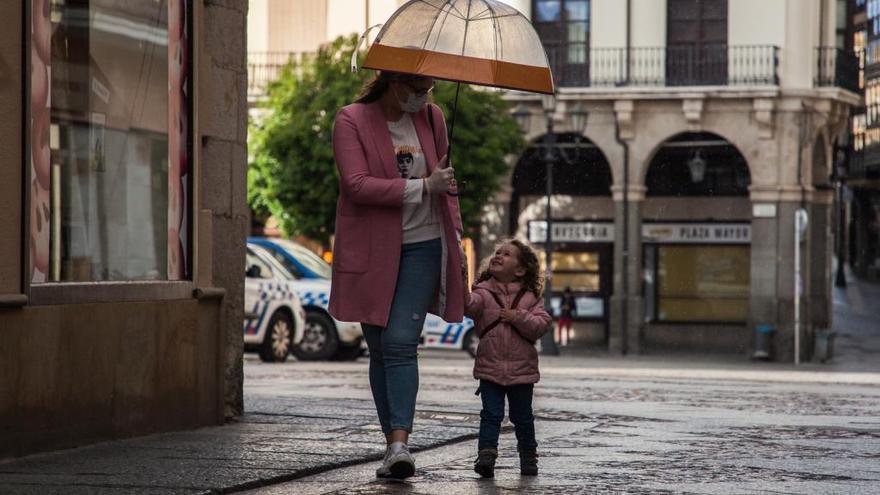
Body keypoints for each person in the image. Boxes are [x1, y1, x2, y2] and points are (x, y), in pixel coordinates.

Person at [328, 71, 466, 480]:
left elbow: (444, 186)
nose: (423, 98)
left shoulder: (434, 118)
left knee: (400, 341)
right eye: (416, 89)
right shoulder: (350, 119)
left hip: (424, 244)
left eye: (429, 90)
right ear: (394, 83)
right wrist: (424, 186)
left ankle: (401, 444)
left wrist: (455, 236)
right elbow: (356, 185)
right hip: (372, 249)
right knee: (379, 347)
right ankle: (392, 444)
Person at [463, 239, 552, 478]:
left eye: (507, 254)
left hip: (522, 370)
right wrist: (461, 281)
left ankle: (528, 457)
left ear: (521, 269)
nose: (498, 255)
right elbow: (468, 306)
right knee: (490, 414)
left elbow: (541, 325)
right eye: (497, 252)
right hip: (489, 368)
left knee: (522, 417)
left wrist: (517, 317)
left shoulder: (530, 297)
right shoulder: (483, 292)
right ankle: (486, 456)